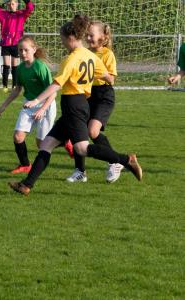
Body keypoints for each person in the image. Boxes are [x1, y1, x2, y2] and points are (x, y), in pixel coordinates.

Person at [8, 15, 143, 196]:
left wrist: (36, 100)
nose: (62, 43)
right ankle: (26, 185)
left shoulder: (70, 59)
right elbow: (108, 77)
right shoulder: (91, 56)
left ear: (70, 38)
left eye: (62, 39)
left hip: (74, 105)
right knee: (46, 145)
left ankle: (126, 160)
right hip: (80, 103)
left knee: (81, 148)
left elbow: (56, 84)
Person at [66, 20, 124, 184]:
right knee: (78, 132)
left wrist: (95, 72)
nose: (88, 38)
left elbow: (111, 79)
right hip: (87, 94)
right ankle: (80, 171)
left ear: (103, 38)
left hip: (104, 95)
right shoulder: (84, 52)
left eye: (92, 35)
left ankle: (115, 162)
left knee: (93, 132)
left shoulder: (107, 54)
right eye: (87, 35)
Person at [0, 35, 57, 174]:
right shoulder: (21, 68)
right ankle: (25, 165)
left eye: (26, 50)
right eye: (20, 50)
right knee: (18, 136)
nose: (22, 53)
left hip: (46, 105)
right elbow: (17, 89)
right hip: (28, 105)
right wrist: (3, 106)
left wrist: (42, 109)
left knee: (41, 144)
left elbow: (53, 92)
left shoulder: (40, 67)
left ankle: (65, 141)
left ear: (34, 49)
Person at [0, 0, 34, 93]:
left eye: (13, 3)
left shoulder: (21, 14)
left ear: (17, 4)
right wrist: (0, 5)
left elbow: (30, 9)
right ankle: (5, 86)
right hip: (5, 43)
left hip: (16, 44)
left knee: (15, 66)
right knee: (6, 65)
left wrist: (27, 2)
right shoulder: (3, 14)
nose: (11, 5)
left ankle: (15, 86)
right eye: (9, 4)